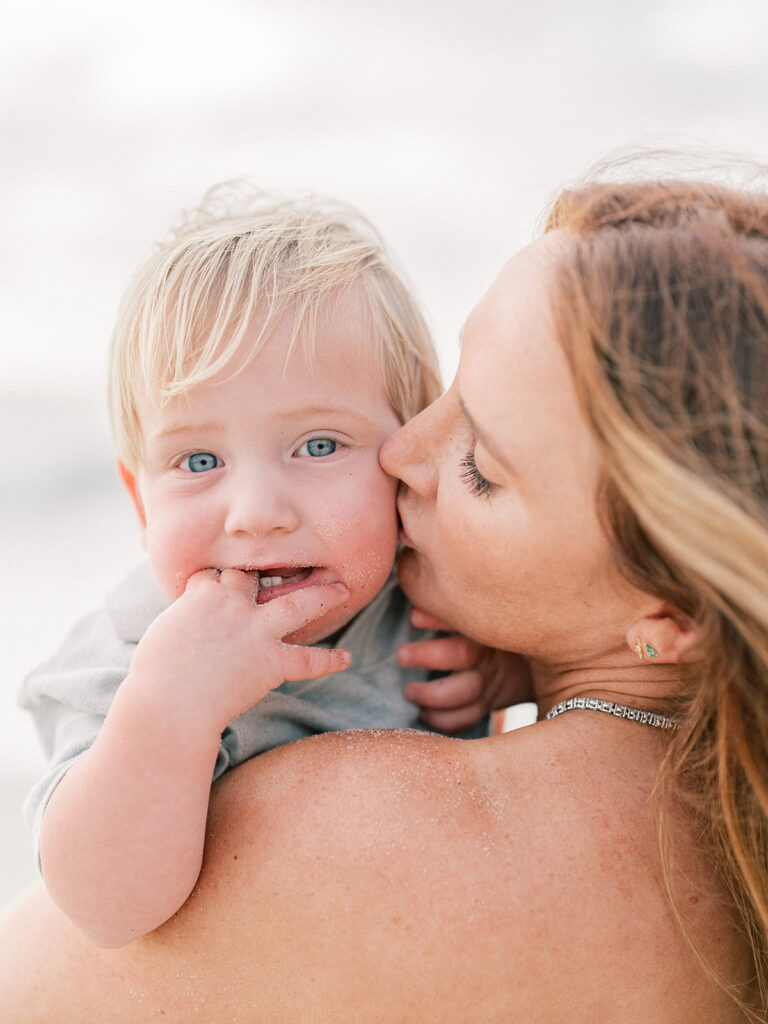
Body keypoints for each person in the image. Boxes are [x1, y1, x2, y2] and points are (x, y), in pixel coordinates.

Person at [1, 169, 766, 1022]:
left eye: (480, 463)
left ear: (671, 613)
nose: (400, 454)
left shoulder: (354, 825)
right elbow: (96, 892)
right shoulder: (725, 836)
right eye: (448, 394)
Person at [19, 185, 511, 949]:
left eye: (318, 446)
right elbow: (102, 908)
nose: (256, 512)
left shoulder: (436, 594)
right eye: (199, 459)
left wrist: (509, 671)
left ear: (406, 458)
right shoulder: (130, 661)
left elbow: (615, 662)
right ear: (140, 502)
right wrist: (169, 710)